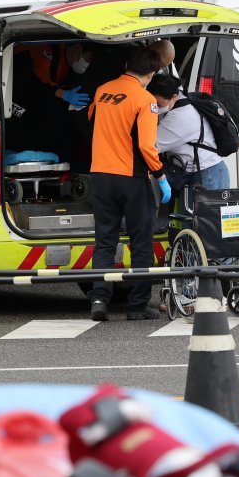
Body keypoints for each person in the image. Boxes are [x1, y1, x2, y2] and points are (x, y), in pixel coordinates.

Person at [86, 45, 171, 321]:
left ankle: (99, 299)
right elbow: (147, 146)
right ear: (151, 72)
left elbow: (91, 118)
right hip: (131, 179)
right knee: (141, 242)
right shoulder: (145, 100)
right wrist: (160, 176)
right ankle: (137, 306)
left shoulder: (103, 91)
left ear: (126, 65)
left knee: (105, 242)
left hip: (99, 175)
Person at [146, 73, 229, 212]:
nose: (157, 108)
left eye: (159, 104)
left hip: (207, 176)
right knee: (191, 224)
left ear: (173, 96)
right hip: (199, 173)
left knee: (200, 227)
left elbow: (149, 145)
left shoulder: (181, 117)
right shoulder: (180, 103)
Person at [7, 42, 91, 162]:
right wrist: (63, 94)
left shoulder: (67, 68)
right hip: (15, 96)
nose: (87, 63)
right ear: (78, 48)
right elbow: (36, 84)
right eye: (88, 58)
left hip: (33, 100)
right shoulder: (45, 50)